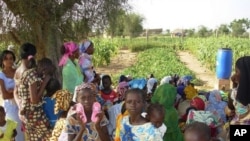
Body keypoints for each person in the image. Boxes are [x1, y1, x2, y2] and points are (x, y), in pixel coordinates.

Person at [18, 57, 54, 140]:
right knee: (49, 134)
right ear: (43, 69)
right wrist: (44, 83)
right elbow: (34, 101)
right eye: (46, 72)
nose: (45, 75)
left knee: (35, 137)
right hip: (32, 112)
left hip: (27, 111)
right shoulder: (32, 76)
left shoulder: (31, 72)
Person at [0, 50, 24, 141]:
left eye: (11, 58)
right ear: (2, 61)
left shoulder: (18, 72)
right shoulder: (1, 75)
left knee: (23, 132)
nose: (9, 61)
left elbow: (25, 91)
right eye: (6, 59)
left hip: (22, 105)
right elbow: (4, 96)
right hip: (11, 108)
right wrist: (16, 91)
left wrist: (12, 92)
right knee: (15, 133)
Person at [227, 56, 250, 125]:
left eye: (236, 71)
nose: (234, 75)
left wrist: (234, 84)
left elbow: (231, 108)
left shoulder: (234, 93)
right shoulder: (235, 93)